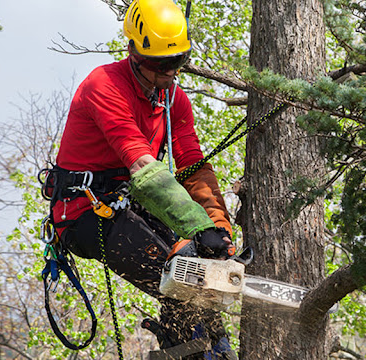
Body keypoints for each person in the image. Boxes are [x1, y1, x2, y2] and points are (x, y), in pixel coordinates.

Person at [50, 0, 238, 358]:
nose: (167, 73)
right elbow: (143, 167)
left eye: (176, 62)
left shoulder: (174, 101)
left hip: (131, 207)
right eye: (158, 64)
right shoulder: (104, 85)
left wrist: (218, 228)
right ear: (133, 51)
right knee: (185, 280)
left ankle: (206, 351)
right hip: (84, 213)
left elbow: (192, 166)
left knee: (203, 282)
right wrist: (198, 227)